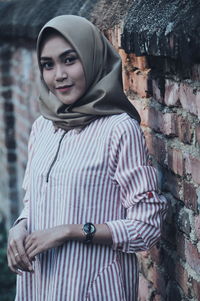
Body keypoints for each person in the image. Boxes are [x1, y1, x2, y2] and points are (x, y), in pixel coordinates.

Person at [7, 15, 167, 301]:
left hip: (93, 286)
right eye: (48, 64)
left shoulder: (119, 129)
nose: (58, 75)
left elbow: (147, 228)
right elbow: (34, 201)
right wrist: (19, 227)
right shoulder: (43, 127)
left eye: (70, 60)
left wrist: (71, 231)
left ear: (93, 58)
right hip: (40, 284)